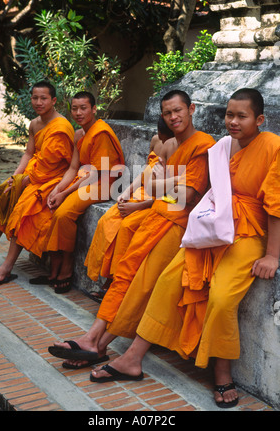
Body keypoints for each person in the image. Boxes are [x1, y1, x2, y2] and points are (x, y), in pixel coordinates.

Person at [89, 88, 280, 409]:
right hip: (213, 227)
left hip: (249, 233)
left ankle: (222, 372)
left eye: (241, 116)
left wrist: (273, 255)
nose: (232, 122)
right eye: (229, 115)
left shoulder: (273, 147)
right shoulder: (222, 148)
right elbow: (202, 191)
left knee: (220, 298)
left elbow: (275, 205)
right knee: (168, 281)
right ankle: (132, 358)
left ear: (259, 119)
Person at [48, 89, 215, 365]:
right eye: (167, 113)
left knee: (140, 284)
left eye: (178, 111)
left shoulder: (202, 144)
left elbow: (186, 196)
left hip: (178, 226)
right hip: (158, 217)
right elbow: (170, 190)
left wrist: (159, 185)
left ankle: (97, 345)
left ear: (192, 109)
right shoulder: (174, 145)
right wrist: (164, 186)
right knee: (124, 275)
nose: (173, 117)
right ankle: (92, 339)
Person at [0, 81, 74, 285]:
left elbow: (50, 166)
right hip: (33, 175)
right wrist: (14, 178)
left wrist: (23, 182)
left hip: (53, 179)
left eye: (44, 98)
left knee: (24, 209)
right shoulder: (35, 123)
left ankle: (6, 267)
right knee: (1, 200)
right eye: (35, 98)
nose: (38, 102)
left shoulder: (61, 127)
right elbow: (28, 153)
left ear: (53, 101)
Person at [41, 91, 125, 294]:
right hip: (86, 180)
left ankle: (67, 265)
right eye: (75, 108)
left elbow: (98, 173)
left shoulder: (101, 132)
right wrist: (58, 189)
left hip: (103, 184)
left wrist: (65, 193)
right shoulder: (80, 134)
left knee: (63, 213)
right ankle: (55, 265)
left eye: (83, 108)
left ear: (94, 109)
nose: (78, 113)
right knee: (48, 202)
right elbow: (73, 168)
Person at [84, 116, 174, 299]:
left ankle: (117, 284)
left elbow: (171, 194)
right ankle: (107, 277)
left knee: (125, 228)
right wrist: (127, 192)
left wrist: (139, 207)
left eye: (167, 139)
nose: (163, 143)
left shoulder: (178, 148)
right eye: (162, 138)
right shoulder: (157, 140)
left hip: (156, 202)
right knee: (107, 220)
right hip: (140, 193)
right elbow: (145, 172)